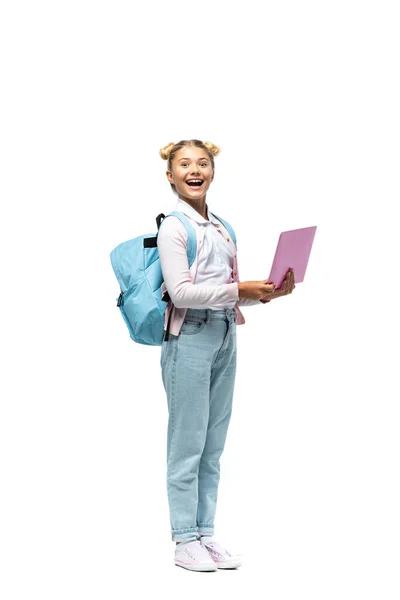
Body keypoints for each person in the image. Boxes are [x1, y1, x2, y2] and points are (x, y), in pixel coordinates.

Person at [157, 139, 295, 572]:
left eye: (202, 163)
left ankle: (205, 533)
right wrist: (241, 290)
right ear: (171, 175)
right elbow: (180, 293)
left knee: (213, 444)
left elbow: (226, 290)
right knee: (187, 443)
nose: (194, 170)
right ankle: (183, 540)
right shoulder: (173, 228)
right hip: (189, 339)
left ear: (212, 172)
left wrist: (267, 294)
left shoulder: (222, 228)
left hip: (223, 334)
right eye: (184, 164)